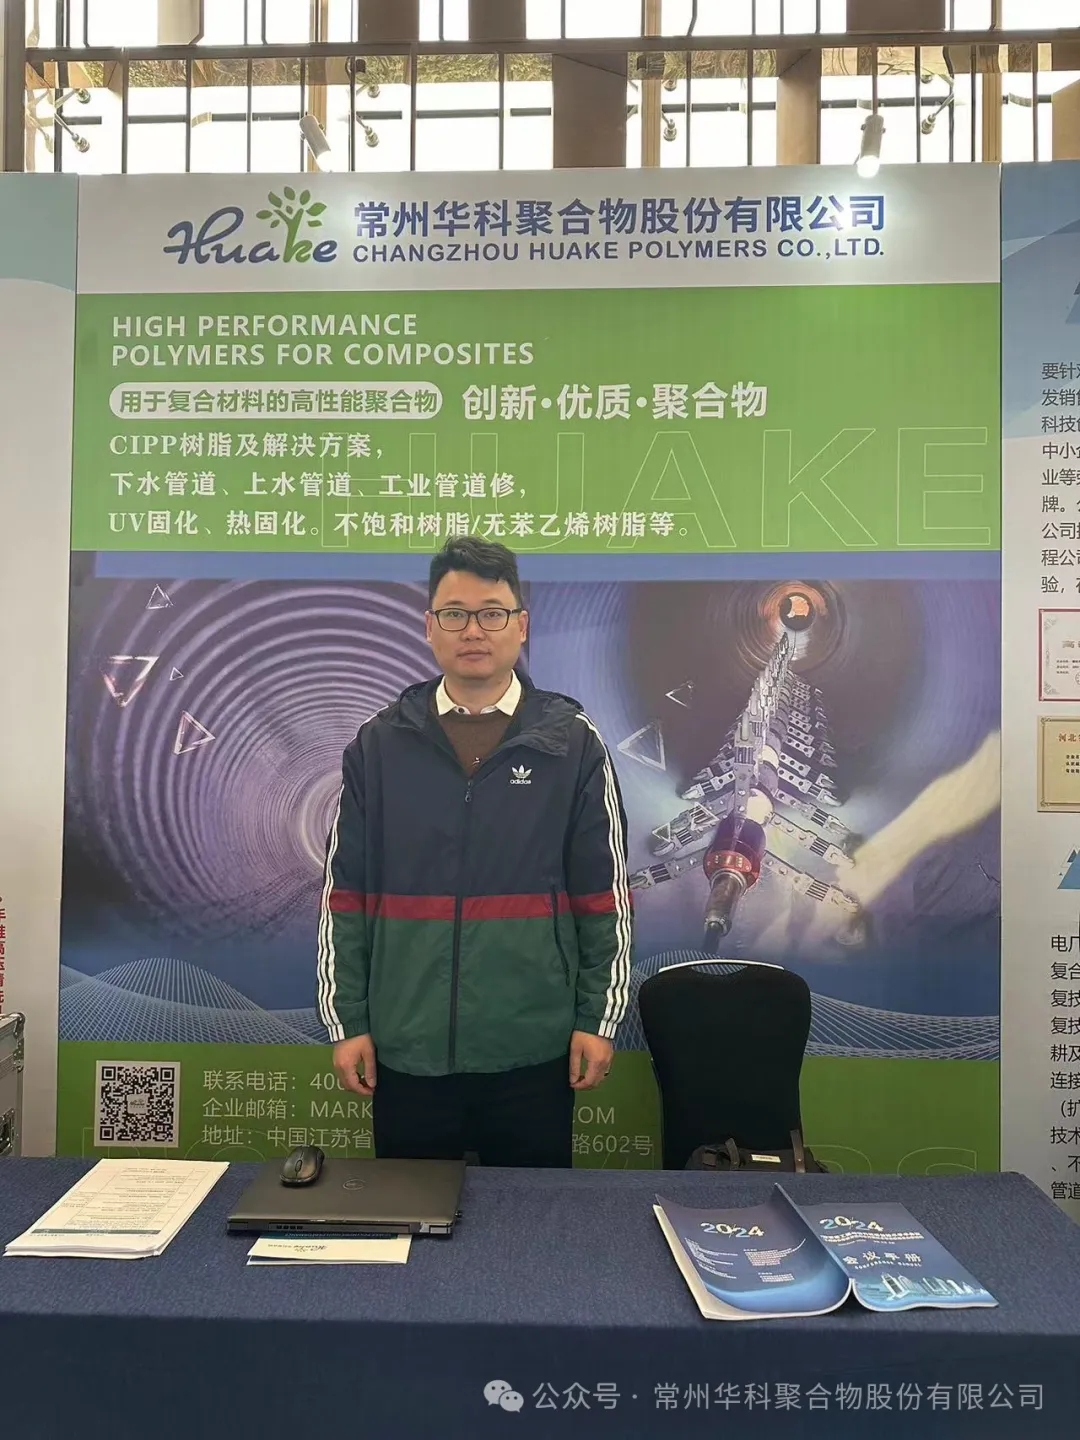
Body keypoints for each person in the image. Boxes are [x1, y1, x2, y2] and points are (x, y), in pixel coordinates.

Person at [316, 537, 632, 1167]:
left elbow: (605, 897)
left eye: (492, 613)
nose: (473, 631)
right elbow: (343, 897)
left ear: (522, 626)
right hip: (407, 1047)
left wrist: (597, 1018)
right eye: (454, 614)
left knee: (532, 1219)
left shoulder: (570, 744)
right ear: (429, 627)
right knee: (409, 1216)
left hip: (533, 1047)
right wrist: (348, 1022)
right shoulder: (380, 745)